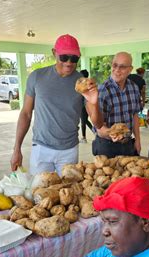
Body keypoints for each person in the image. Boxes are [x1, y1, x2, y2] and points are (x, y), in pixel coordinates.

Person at [10, 34, 102, 175]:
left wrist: (94, 103)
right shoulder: (37, 77)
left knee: (68, 194)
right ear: (54, 53)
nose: (69, 63)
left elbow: (98, 123)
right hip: (41, 149)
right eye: (64, 57)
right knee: (39, 193)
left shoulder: (82, 83)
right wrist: (17, 149)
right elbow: (26, 113)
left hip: (69, 151)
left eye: (74, 58)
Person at [92, 52, 141, 158]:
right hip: (107, 146)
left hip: (128, 144)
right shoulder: (103, 90)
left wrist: (137, 140)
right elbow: (98, 127)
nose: (117, 70)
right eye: (115, 65)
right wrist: (111, 133)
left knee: (129, 174)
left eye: (122, 67)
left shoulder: (134, 88)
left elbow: (135, 115)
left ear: (130, 69)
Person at [79, 69, 93, 144]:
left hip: (83, 104)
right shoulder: (90, 83)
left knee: (83, 121)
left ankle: (84, 138)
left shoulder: (82, 84)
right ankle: (95, 132)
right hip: (89, 104)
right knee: (85, 120)